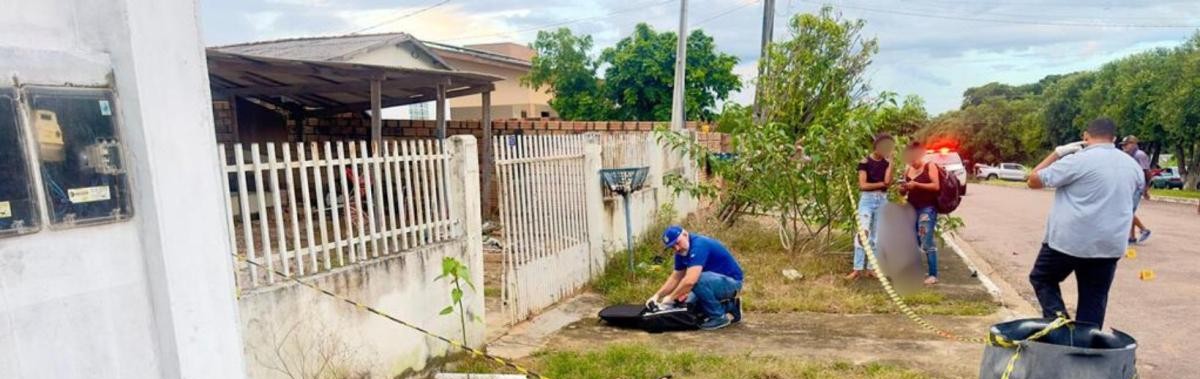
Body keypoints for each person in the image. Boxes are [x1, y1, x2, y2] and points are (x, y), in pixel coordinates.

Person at [1026, 118, 1143, 328]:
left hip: (1069, 242)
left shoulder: (1077, 160)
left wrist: (1057, 153)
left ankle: (1059, 325)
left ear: (1085, 136)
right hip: (1109, 246)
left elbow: (1033, 180)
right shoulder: (1132, 165)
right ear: (1114, 139)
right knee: (1093, 301)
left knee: (1042, 278)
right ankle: (1085, 349)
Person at [647, 225, 745, 330]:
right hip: (713, 282)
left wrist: (670, 298)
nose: (676, 248)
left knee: (697, 280)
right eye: (672, 246)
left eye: (677, 243)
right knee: (688, 305)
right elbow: (675, 277)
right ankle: (732, 305)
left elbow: (690, 281)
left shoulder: (699, 245)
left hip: (732, 283)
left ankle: (719, 317)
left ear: (685, 234)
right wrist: (657, 296)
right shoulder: (681, 252)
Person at [847, 133, 895, 280]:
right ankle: (857, 268)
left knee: (877, 236)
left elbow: (888, 182)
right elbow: (863, 185)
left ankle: (871, 268)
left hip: (882, 200)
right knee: (863, 234)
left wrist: (891, 163)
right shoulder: (865, 162)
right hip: (867, 200)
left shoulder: (887, 163)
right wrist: (880, 185)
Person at [900, 141, 941, 285]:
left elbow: (936, 186)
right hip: (912, 207)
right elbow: (903, 189)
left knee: (926, 240)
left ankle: (933, 274)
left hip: (927, 208)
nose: (911, 162)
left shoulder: (930, 166)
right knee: (913, 240)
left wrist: (917, 184)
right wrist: (903, 188)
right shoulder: (907, 169)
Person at [1120, 136, 1152, 244]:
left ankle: (1144, 230)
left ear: (1134, 144)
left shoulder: (1140, 155)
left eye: (1126, 144)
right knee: (1130, 211)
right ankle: (1132, 237)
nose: (1124, 147)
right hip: (1131, 187)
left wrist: (1146, 188)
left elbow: (1147, 172)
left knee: (1128, 211)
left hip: (1138, 187)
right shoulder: (1130, 156)